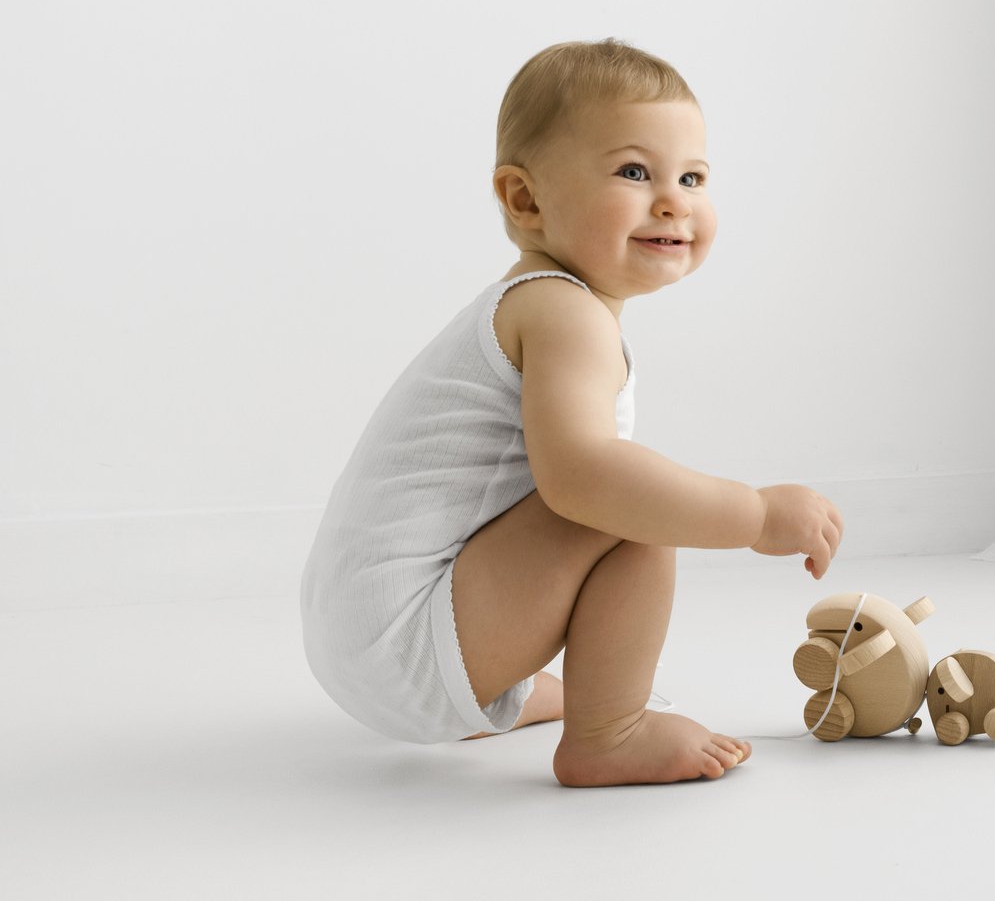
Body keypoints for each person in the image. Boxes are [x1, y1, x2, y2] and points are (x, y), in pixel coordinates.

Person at [300, 39, 844, 787]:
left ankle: (519, 692)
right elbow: (583, 483)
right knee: (632, 508)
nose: (673, 201)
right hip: (406, 640)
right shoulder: (562, 312)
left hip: (363, 643)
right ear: (525, 199)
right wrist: (753, 516)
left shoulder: (543, 304)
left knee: (628, 496)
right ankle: (608, 733)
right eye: (633, 172)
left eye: (692, 177)